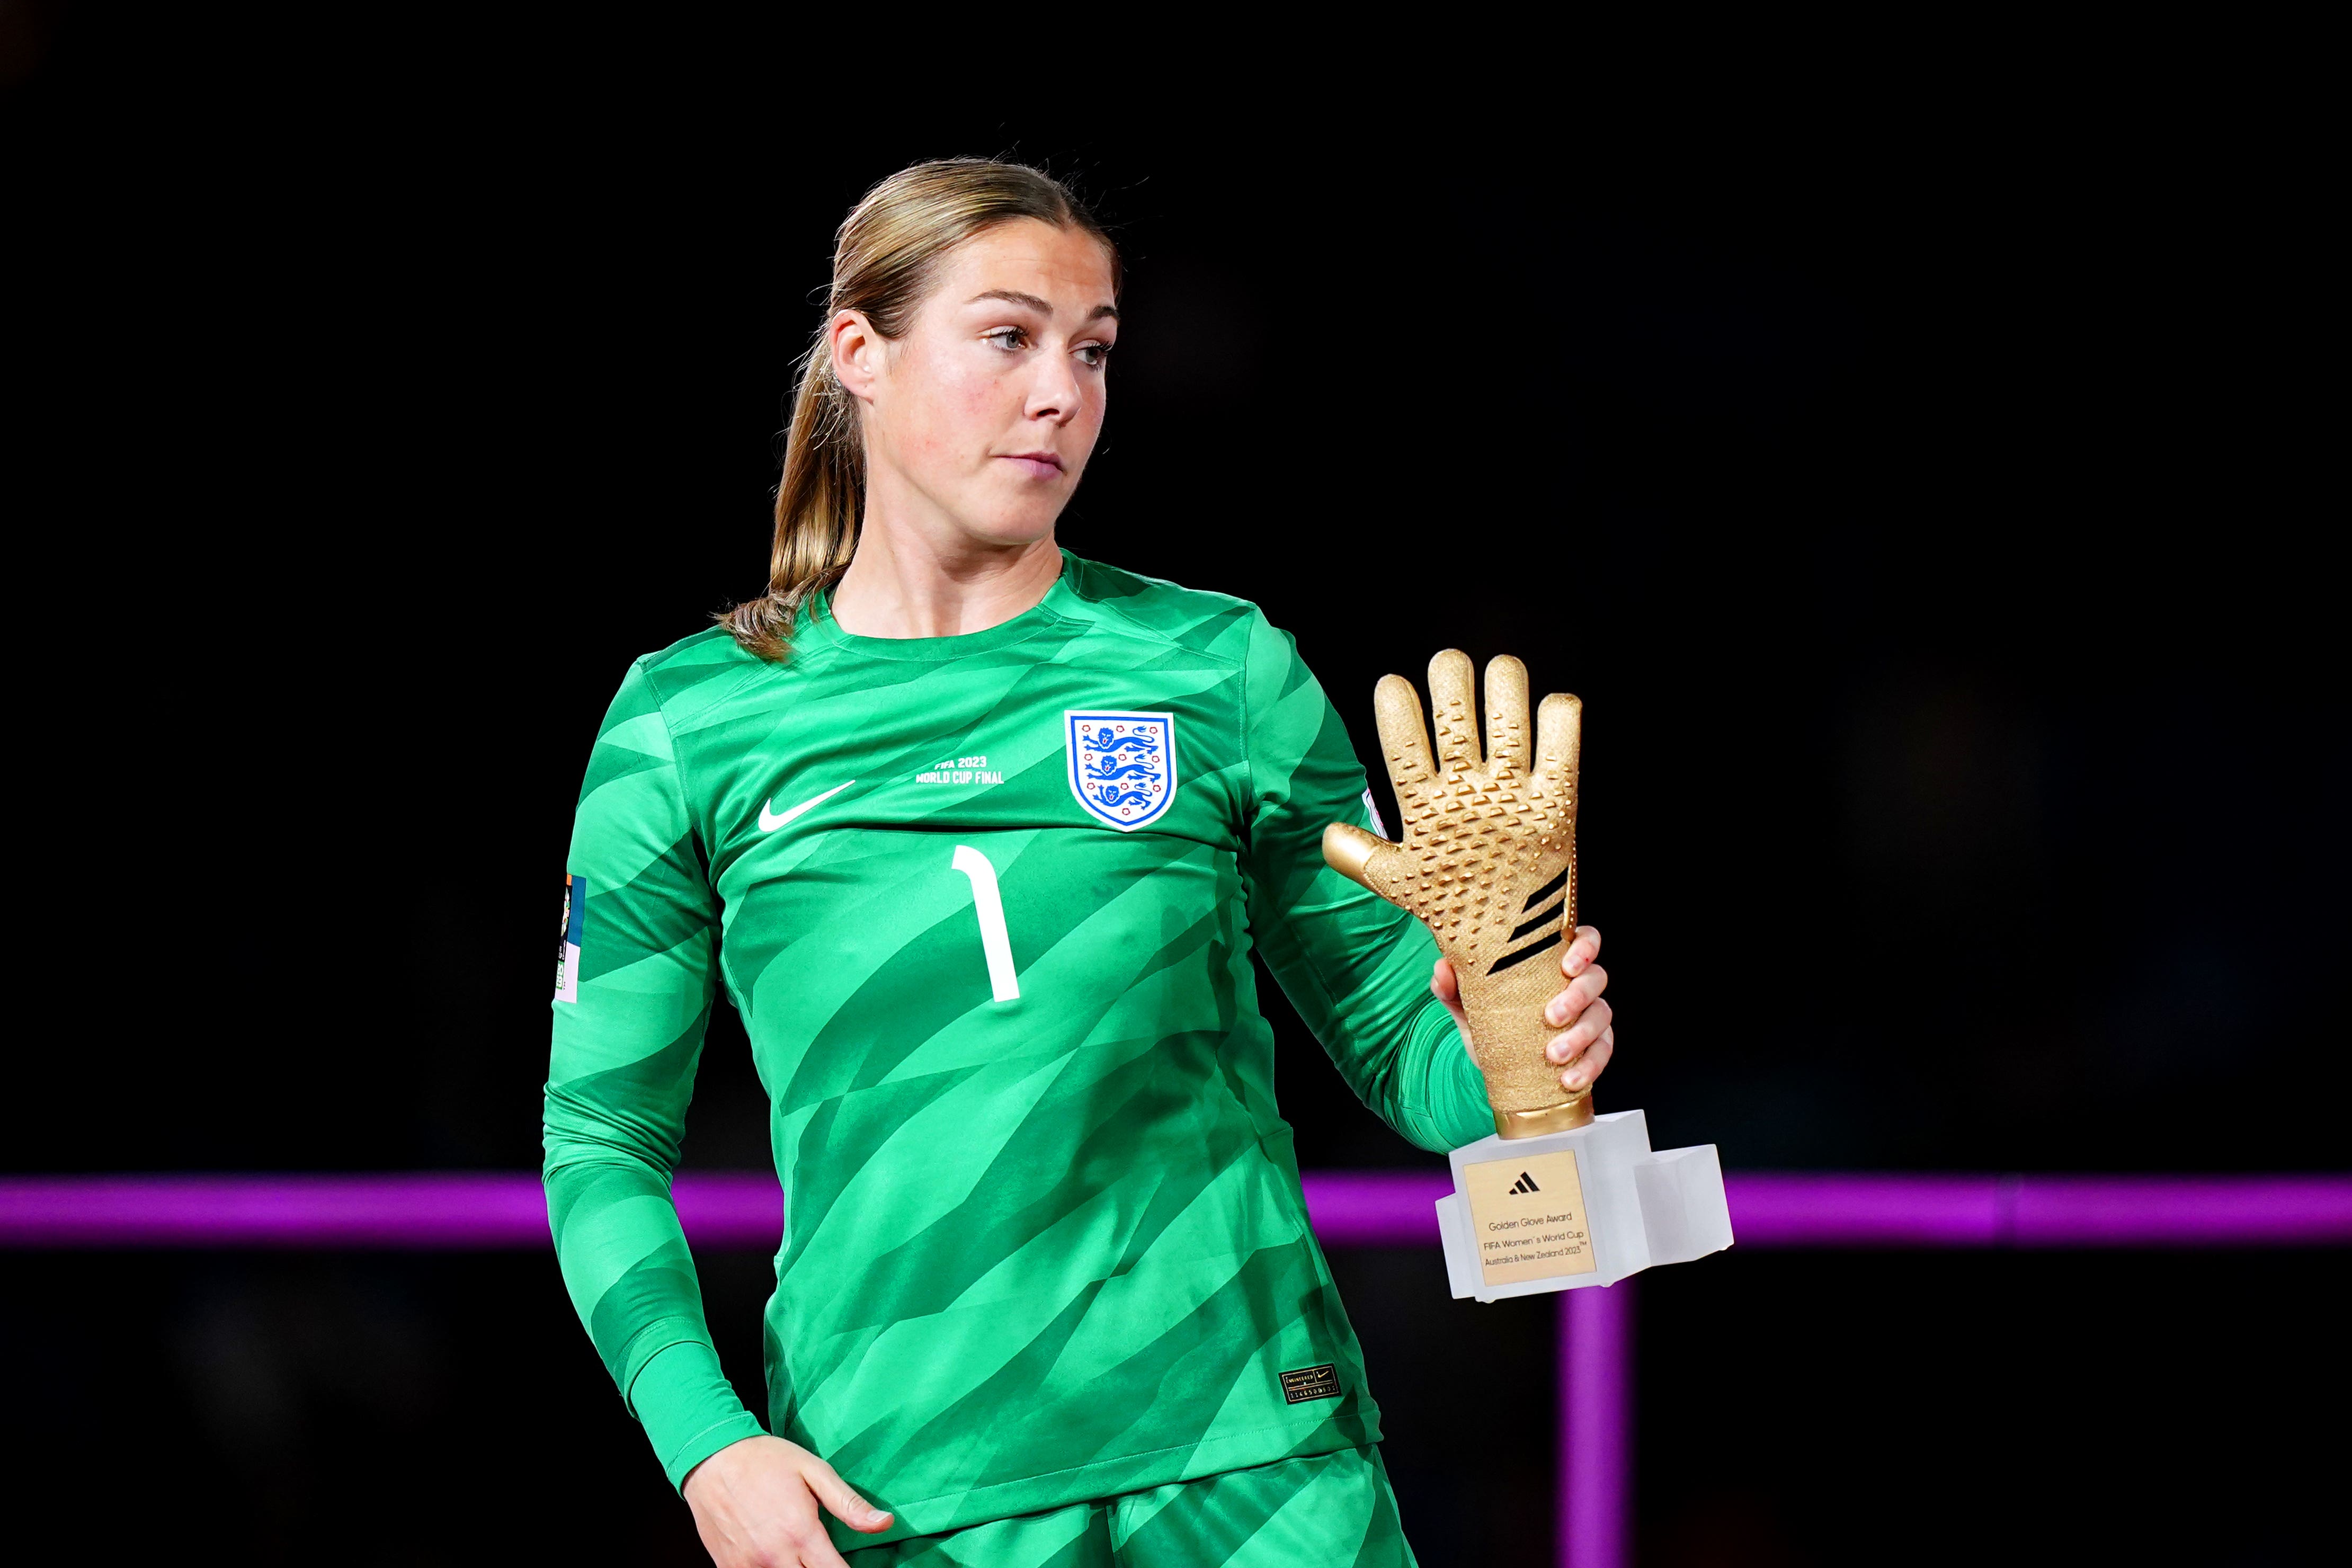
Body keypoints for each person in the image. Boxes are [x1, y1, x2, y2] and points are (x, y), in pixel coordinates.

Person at [544, 158, 1617, 1568]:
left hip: (1259, 1464)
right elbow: (600, 1146)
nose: (1064, 390)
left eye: (1094, 347)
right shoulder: (688, 721)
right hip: (903, 1491)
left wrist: (1513, 1058)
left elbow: (1392, 1041)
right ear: (860, 353)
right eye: (1009, 336)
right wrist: (707, 1446)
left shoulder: (1217, 666)